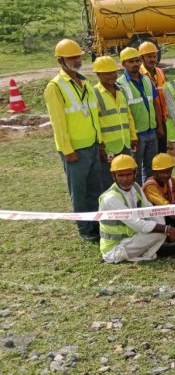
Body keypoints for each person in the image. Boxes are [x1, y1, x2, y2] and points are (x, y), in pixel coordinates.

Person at [45, 39, 103, 243]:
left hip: (92, 145)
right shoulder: (55, 87)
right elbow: (58, 123)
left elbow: (95, 115)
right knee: (79, 192)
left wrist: (100, 142)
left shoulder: (85, 82)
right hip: (75, 150)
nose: (76, 60)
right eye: (71, 57)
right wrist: (67, 149)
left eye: (78, 56)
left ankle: (96, 224)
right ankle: (85, 229)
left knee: (95, 189)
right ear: (61, 60)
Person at [98, 154, 175, 263]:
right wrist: (168, 229)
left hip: (133, 238)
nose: (125, 179)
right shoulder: (110, 198)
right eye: (121, 175)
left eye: (129, 174)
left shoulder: (135, 187)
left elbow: (149, 210)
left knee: (158, 217)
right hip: (116, 248)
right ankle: (151, 250)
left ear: (135, 173)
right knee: (160, 232)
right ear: (113, 176)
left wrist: (166, 228)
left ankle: (154, 247)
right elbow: (136, 223)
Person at [117, 47, 162, 184]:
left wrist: (159, 125)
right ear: (123, 64)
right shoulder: (120, 84)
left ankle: (148, 193)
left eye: (137, 60)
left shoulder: (147, 80)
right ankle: (136, 197)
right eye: (131, 61)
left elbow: (155, 103)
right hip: (136, 134)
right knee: (134, 169)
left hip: (151, 131)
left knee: (151, 168)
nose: (135, 64)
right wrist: (131, 135)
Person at [92, 56, 137, 191]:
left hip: (124, 143)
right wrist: (100, 145)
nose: (112, 76)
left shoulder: (121, 90)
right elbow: (95, 121)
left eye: (114, 72)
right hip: (108, 147)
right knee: (108, 181)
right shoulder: (94, 93)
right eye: (107, 73)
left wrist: (133, 136)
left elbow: (128, 114)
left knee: (127, 179)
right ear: (98, 74)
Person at [142, 153, 175, 231]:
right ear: (154, 172)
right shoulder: (150, 187)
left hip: (169, 210)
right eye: (162, 172)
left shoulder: (170, 180)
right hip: (155, 216)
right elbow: (165, 206)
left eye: (168, 171)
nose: (165, 175)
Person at [138, 41, 168, 154]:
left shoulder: (159, 72)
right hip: (150, 122)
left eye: (154, 56)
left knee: (163, 152)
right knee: (151, 156)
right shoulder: (139, 74)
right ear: (142, 58)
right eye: (149, 56)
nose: (152, 59)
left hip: (162, 119)